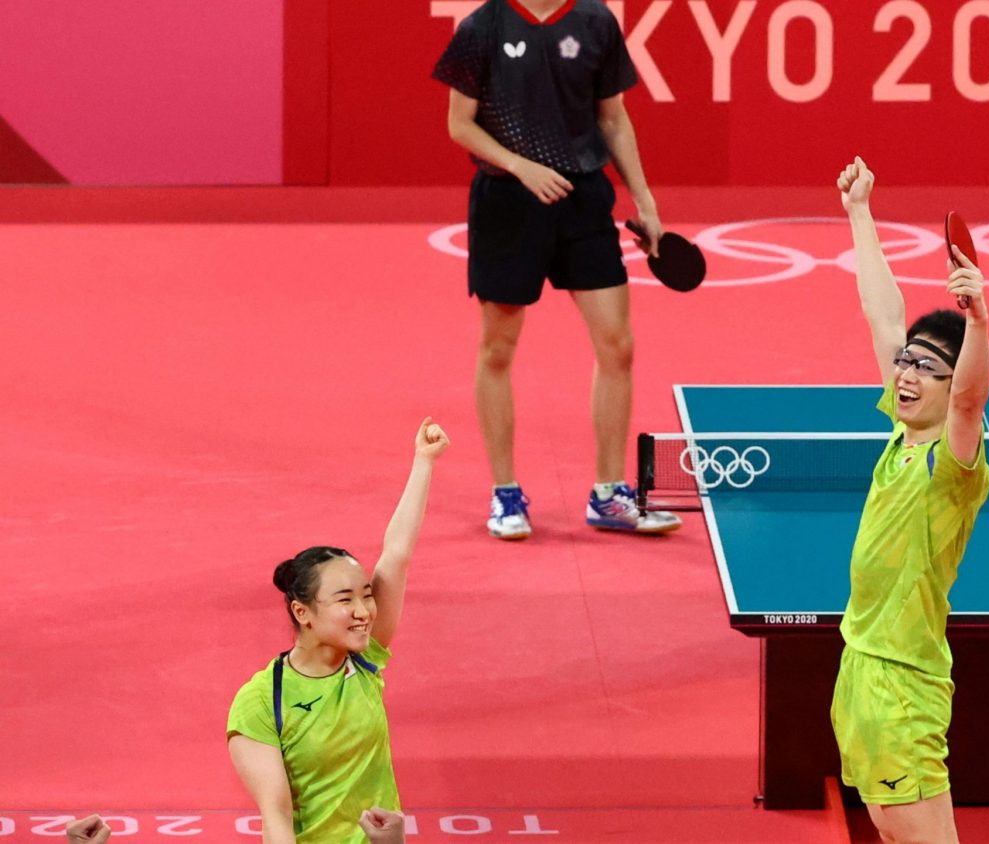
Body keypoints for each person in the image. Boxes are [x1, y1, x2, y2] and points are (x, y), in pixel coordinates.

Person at [432, 0, 681, 539]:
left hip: (583, 199)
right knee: (498, 347)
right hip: (507, 201)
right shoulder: (483, 27)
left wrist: (646, 200)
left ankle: (610, 494)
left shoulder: (595, 22)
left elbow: (613, 118)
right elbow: (459, 125)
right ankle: (506, 494)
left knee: (617, 344)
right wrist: (522, 167)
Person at [830, 157, 989, 844]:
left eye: (927, 368)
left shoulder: (950, 463)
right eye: (907, 362)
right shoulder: (902, 428)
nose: (907, 373)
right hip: (858, 665)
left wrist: (979, 318)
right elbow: (882, 313)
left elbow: (970, 399)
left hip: (903, 684)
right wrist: (861, 212)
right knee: (889, 832)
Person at [226, 419, 449, 843]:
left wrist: (424, 461)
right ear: (302, 612)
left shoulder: (363, 660)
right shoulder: (261, 702)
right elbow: (276, 818)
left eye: (366, 595)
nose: (365, 610)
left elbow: (396, 555)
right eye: (345, 600)